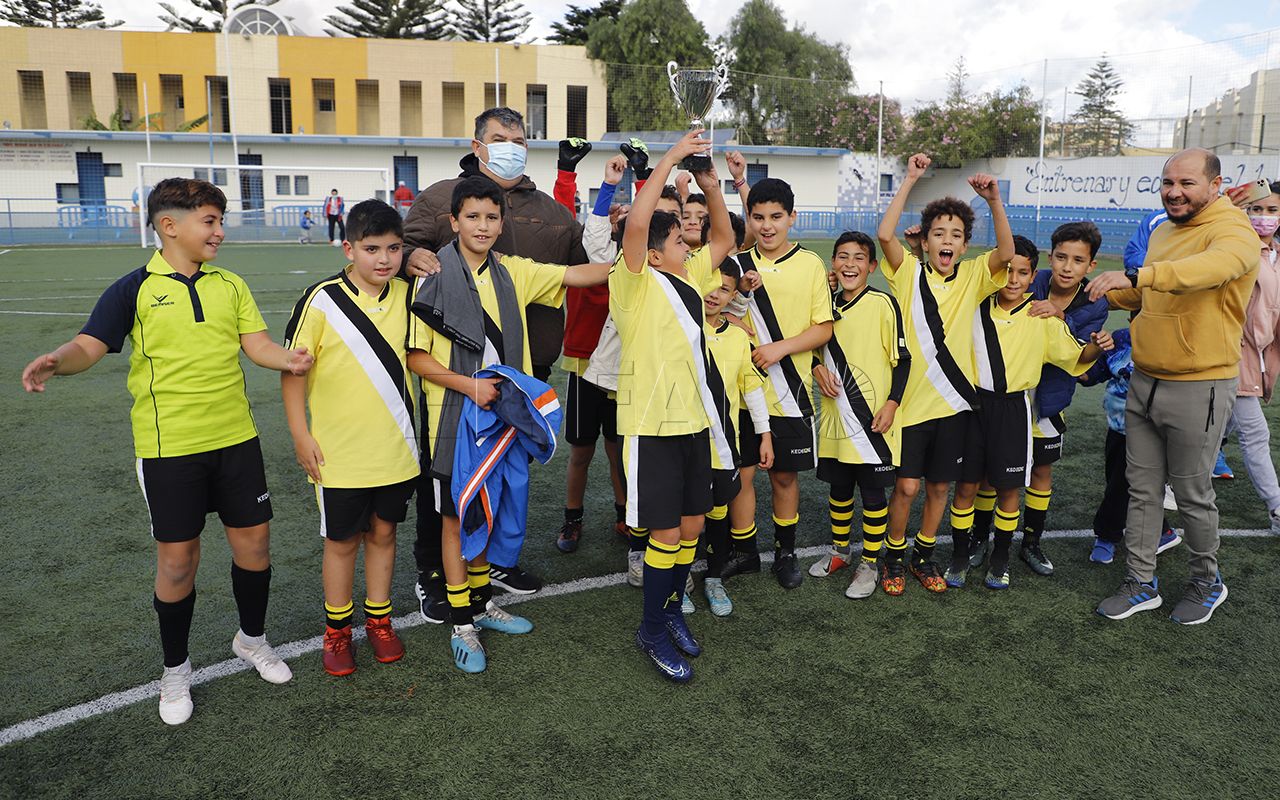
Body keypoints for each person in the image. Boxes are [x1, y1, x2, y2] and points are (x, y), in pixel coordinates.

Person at [21, 177, 313, 725]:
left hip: (237, 440)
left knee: (255, 546)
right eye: (210, 221)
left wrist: (287, 359)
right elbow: (89, 344)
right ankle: (175, 669)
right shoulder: (132, 289)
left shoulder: (230, 284)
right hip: (168, 449)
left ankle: (252, 640)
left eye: (221, 220)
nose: (220, 232)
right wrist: (58, 360)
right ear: (170, 225)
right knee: (179, 561)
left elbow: (257, 345)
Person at [407, 175, 612, 673]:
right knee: (455, 519)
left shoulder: (513, 270)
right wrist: (469, 385)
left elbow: (577, 275)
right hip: (452, 419)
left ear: (502, 223)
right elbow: (416, 357)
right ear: (454, 221)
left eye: (491, 217)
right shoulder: (432, 273)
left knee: (490, 512)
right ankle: (462, 623)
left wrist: (634, 261)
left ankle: (480, 604)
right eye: (472, 217)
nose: (482, 226)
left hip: (502, 418)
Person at [402, 107, 587, 610]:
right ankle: (435, 573)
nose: (511, 147)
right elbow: (400, 252)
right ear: (478, 144)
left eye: (519, 139)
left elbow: (580, 267)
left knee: (503, 481)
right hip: (455, 378)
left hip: (522, 372)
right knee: (446, 482)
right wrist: (408, 257)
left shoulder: (549, 210)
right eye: (500, 138)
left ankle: (490, 573)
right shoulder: (441, 196)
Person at [1091, 148, 1259, 625]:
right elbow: (1145, 293)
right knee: (1142, 491)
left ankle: (1207, 582)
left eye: (1186, 183)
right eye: (1168, 183)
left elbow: (1206, 271)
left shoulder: (1234, 231)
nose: (1174, 192)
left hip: (1199, 384)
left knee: (1191, 494)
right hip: (1145, 378)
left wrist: (1138, 274)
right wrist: (1091, 291)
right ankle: (1140, 582)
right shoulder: (1164, 230)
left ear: (1215, 185)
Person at [614, 130, 736, 682]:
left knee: (690, 528)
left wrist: (710, 185)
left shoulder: (689, 280)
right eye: (680, 242)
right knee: (664, 536)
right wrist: (671, 158)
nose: (690, 246)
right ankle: (651, 630)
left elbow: (725, 236)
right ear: (654, 252)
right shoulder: (634, 282)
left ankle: (668, 613)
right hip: (653, 426)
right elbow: (637, 225)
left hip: (696, 424)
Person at [281, 200, 418, 676]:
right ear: (349, 248)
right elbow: (293, 372)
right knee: (341, 542)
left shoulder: (409, 295)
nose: (384, 259)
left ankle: (379, 621)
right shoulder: (321, 299)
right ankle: (337, 630)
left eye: (394, 249)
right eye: (371, 248)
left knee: (384, 533)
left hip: (397, 448)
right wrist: (300, 434)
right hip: (338, 453)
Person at [875, 153, 1014, 596]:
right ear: (927, 240)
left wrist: (994, 202)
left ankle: (923, 556)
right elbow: (884, 234)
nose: (946, 240)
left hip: (954, 406)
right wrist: (910, 179)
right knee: (907, 487)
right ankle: (893, 558)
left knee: (938, 488)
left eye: (955, 234)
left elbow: (1007, 253)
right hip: (911, 405)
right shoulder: (909, 273)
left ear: (965, 245)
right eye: (938, 233)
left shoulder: (973, 275)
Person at [945, 237, 1111, 589]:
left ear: (1033, 276)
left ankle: (1003, 557)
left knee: (1011, 487)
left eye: (1022, 273)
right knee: (968, 485)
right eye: (1007, 271)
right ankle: (963, 553)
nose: (1013, 279)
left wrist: (1098, 346)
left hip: (1015, 410)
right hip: (973, 408)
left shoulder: (1041, 316)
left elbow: (1076, 357)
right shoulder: (973, 307)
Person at [722, 178, 834, 590]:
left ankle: (785, 553)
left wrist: (778, 349)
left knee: (784, 477)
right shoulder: (735, 264)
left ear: (791, 218)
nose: (767, 226)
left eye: (776, 217)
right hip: (740, 394)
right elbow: (719, 314)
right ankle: (745, 551)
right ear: (749, 219)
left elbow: (823, 328)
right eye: (758, 217)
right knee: (742, 475)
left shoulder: (810, 265)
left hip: (790, 392)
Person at [808, 231, 909, 600]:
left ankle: (869, 562)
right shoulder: (825, 306)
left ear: (872, 266)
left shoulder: (883, 303)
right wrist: (817, 369)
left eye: (859, 258)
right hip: (836, 419)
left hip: (872, 421)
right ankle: (840, 551)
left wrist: (892, 404)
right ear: (833, 262)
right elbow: (814, 351)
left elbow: (903, 360)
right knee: (838, 489)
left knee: (872, 492)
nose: (850, 264)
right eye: (843, 257)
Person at [556, 152, 630, 554]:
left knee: (619, 449)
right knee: (581, 450)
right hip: (584, 363)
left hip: (622, 367)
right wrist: (576, 178)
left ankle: (625, 514)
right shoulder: (582, 253)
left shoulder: (634, 264)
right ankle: (572, 518)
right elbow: (569, 220)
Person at [702, 248, 774, 616]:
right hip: (681, 439)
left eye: (725, 289)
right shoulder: (681, 328)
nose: (715, 294)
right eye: (710, 284)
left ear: (734, 295)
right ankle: (678, 583)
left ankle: (714, 577)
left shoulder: (736, 337)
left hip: (722, 443)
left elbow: (751, 388)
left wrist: (764, 435)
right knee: (683, 515)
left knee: (718, 511)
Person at [1080, 327, 1181, 563]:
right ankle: (1162, 531)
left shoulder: (1175, 339)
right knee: (1119, 480)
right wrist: (1078, 356)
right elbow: (1091, 374)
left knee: (1124, 482)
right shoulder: (1122, 338)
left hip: (1155, 428)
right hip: (1119, 426)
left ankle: (1107, 535)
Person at [1226, 182, 1280, 533]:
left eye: (1272, 210)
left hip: (1261, 358)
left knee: (1217, 431)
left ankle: (1166, 481)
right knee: (1256, 434)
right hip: (1234, 354)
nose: (1263, 217)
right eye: (1256, 209)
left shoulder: (1276, 256)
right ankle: (1277, 509)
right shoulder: (1239, 251)